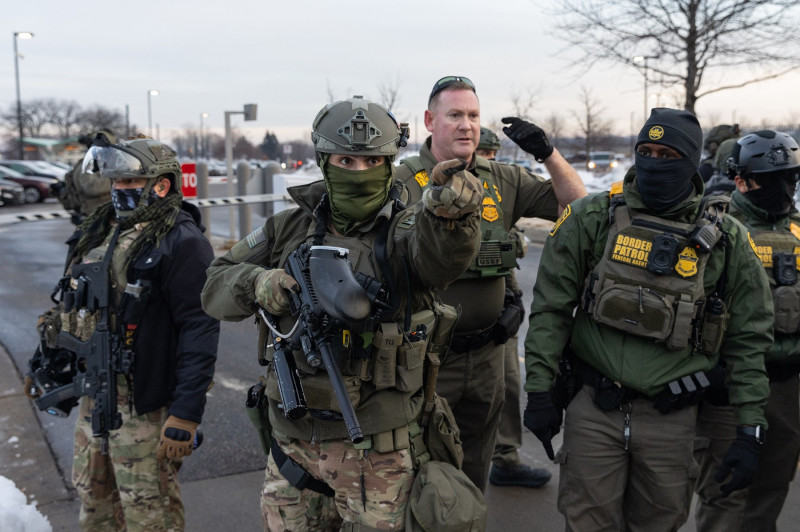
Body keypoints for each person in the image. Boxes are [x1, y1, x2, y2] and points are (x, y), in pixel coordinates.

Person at [200, 95, 483, 531]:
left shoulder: (409, 228)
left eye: (371, 161)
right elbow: (214, 285)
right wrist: (257, 283)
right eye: (345, 160)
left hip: (380, 455)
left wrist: (451, 217)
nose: (359, 172)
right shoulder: (287, 228)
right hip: (292, 451)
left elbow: (443, 259)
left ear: (390, 163)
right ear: (323, 160)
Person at [523, 108, 773, 531]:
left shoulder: (727, 239)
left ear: (692, 161)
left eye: (668, 154)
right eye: (646, 151)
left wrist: (750, 427)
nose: (655, 162)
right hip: (594, 406)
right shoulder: (591, 218)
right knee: (586, 521)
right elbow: (551, 309)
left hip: (672, 418)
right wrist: (540, 391)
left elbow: (749, 340)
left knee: (658, 522)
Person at [394, 76, 586, 491]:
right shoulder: (403, 182)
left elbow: (575, 207)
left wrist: (547, 153)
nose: (467, 125)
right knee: (414, 478)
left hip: (485, 361)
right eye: (455, 115)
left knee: (473, 477)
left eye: (474, 116)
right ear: (430, 120)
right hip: (423, 359)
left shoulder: (501, 179)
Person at [27, 135, 219, 531]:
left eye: (129, 184)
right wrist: (42, 361)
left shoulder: (181, 241)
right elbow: (68, 305)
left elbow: (199, 330)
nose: (118, 191)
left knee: (150, 513)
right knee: (94, 505)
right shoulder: (96, 231)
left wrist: (186, 412)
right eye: (115, 183)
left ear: (161, 185)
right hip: (92, 396)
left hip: (144, 406)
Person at [693, 129, 800, 532]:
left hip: (787, 387)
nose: (785, 188)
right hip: (729, 388)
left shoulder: (797, 230)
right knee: (724, 498)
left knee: (770, 492)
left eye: (791, 178)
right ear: (740, 180)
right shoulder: (716, 228)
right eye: (773, 180)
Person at [474, 125, 553, 488]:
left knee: (507, 382)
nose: (487, 162)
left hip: (502, 295)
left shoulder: (500, 185)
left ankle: (505, 455)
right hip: (460, 309)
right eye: (483, 154)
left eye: (491, 155)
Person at [55, 129, 114, 225]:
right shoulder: (90, 163)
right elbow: (92, 187)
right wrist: (119, 179)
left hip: (102, 215)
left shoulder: (101, 162)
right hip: (95, 217)